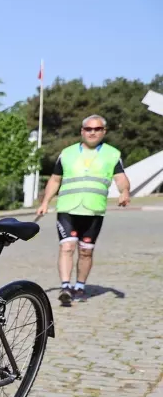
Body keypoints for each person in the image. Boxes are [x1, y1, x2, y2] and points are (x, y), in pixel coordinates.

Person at [36, 114, 132, 306]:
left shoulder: (112, 154)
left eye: (97, 129)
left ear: (104, 132)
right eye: (88, 129)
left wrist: (125, 192)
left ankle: (79, 287)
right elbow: (55, 179)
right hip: (68, 208)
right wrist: (45, 202)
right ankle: (65, 286)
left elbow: (121, 178)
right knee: (67, 246)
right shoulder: (67, 153)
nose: (92, 132)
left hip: (94, 210)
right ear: (82, 131)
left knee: (86, 251)